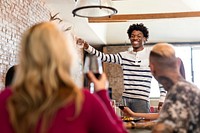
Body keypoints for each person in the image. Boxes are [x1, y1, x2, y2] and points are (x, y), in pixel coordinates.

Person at [0, 22, 128, 133]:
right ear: (66, 55)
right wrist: (102, 95)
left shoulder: (4, 100)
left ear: (26, 54)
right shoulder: (83, 101)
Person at [79, 23, 166, 113]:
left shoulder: (151, 56)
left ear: (145, 39)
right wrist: (87, 47)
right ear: (130, 38)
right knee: (126, 125)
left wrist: (162, 98)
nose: (135, 38)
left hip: (142, 100)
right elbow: (104, 57)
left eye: (139, 36)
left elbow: (161, 78)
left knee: (142, 125)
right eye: (132, 36)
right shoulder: (123, 56)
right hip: (125, 100)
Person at [149, 43, 200, 133]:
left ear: (152, 68)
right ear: (178, 63)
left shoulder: (179, 91)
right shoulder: (190, 88)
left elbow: (163, 130)